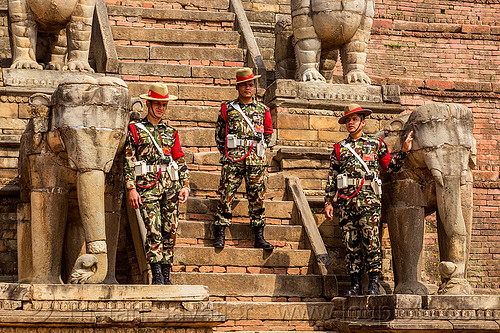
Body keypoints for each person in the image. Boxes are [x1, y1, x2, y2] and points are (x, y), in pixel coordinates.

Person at [324, 103, 413, 296]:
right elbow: (332, 176)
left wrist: (404, 152)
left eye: (354, 119)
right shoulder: (340, 148)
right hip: (346, 201)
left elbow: (390, 167)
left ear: (362, 122)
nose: (350, 123)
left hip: (369, 201)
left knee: (371, 241)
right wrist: (328, 202)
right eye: (348, 120)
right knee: (350, 243)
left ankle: (373, 282)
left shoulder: (376, 144)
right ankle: (355, 284)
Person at [124, 83, 190, 285]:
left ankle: (167, 274)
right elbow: (129, 159)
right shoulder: (136, 130)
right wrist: (131, 187)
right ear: (148, 104)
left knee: (170, 230)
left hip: (170, 187)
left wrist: (185, 185)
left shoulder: (171, 132)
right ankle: (157, 275)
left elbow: (179, 159)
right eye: (157, 104)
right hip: (147, 187)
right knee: (153, 230)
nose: (161, 108)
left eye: (164, 105)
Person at [213, 67, 274, 250]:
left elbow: (269, 133)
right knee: (226, 195)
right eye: (244, 85)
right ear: (238, 87)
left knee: (257, 197)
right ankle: (221, 231)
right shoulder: (228, 108)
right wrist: (227, 154)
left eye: (251, 84)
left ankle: (259, 236)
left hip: (256, 161)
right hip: (233, 159)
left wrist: (259, 149)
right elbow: (219, 135)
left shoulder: (263, 110)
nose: (248, 88)